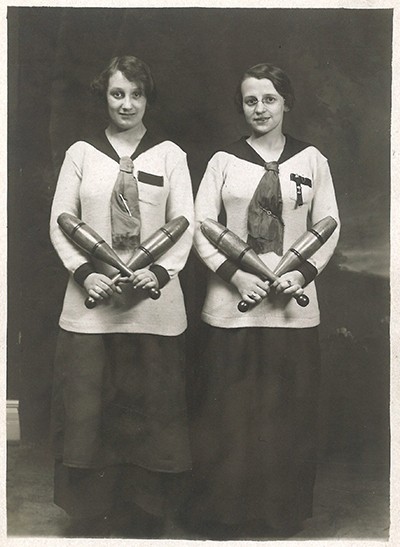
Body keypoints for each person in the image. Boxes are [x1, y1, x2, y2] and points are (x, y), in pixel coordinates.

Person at [189, 63, 340, 539]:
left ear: (286, 103)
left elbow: (330, 224)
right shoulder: (223, 161)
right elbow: (201, 227)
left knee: (285, 417)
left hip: (292, 307)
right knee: (228, 416)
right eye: (251, 100)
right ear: (242, 106)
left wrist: (299, 273)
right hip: (232, 307)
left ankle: (279, 518)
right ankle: (226, 517)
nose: (260, 108)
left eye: (269, 99)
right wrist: (236, 278)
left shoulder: (312, 160)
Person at [49, 55, 194, 538]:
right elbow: (61, 221)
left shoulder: (170, 155)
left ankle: (147, 514)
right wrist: (85, 273)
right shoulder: (81, 153)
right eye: (117, 93)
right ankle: (92, 515)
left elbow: (185, 227)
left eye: (136, 94)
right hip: (93, 307)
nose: (126, 103)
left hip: (152, 306)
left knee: (151, 412)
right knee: (92, 410)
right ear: (104, 97)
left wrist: (159, 274)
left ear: (148, 97)